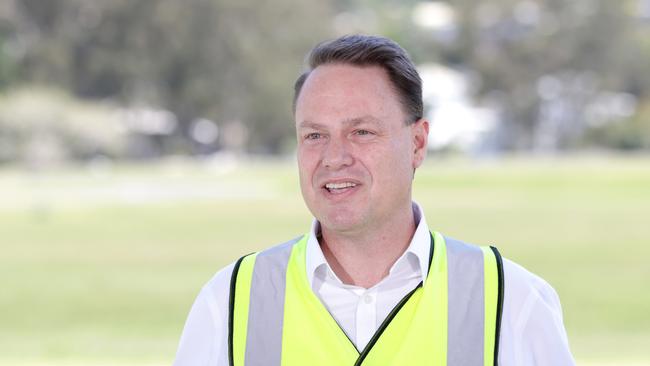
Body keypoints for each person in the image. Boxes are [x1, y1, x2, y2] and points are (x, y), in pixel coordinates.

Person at [174, 34, 575, 365]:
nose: (334, 157)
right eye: (315, 135)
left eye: (361, 132)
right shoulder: (228, 303)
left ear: (417, 143)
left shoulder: (513, 303)